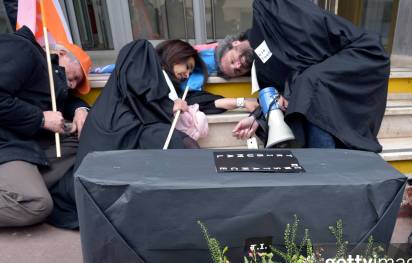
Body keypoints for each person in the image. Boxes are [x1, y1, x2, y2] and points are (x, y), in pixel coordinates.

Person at [47, 39, 258, 229]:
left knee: (182, 143)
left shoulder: (172, 88)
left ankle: (204, 203)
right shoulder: (142, 52)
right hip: (118, 128)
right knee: (179, 144)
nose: (187, 74)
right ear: (175, 54)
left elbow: (204, 101)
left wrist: (241, 102)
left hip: (139, 131)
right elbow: (139, 88)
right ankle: (207, 204)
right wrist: (168, 105)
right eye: (187, 66)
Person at [0, 26, 91, 230]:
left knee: (82, 144)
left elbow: (65, 98)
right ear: (61, 54)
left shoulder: (42, 71)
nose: (71, 85)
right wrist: (40, 119)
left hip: (4, 139)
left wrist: (81, 109)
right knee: (34, 203)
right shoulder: (18, 47)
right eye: (74, 78)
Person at [228, 0, 390, 151]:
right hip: (322, 88)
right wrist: (256, 119)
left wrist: (290, 90)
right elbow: (271, 96)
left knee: (308, 86)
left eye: (231, 60)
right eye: (236, 71)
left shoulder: (266, 12)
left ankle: (324, 166)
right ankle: (323, 166)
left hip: (361, 53)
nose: (238, 66)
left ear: (234, 44)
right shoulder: (262, 72)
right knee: (306, 95)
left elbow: (310, 46)